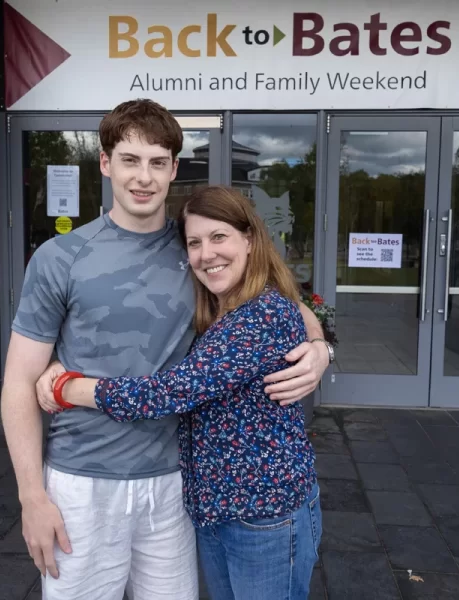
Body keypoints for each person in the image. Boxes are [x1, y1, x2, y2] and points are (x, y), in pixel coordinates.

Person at [0, 98, 332, 600]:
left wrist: (320, 348)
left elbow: (283, 306)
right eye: (130, 160)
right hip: (82, 480)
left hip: (175, 482)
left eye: (158, 162)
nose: (144, 177)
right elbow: (18, 383)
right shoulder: (60, 257)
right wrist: (31, 496)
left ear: (174, 169)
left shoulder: (197, 249)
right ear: (106, 163)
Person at [41, 185, 321, 600]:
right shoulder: (221, 306)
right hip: (217, 514)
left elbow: (172, 391)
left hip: (265, 517)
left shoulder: (263, 312)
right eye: (195, 242)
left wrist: (70, 388)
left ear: (249, 239)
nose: (207, 254)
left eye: (219, 237)